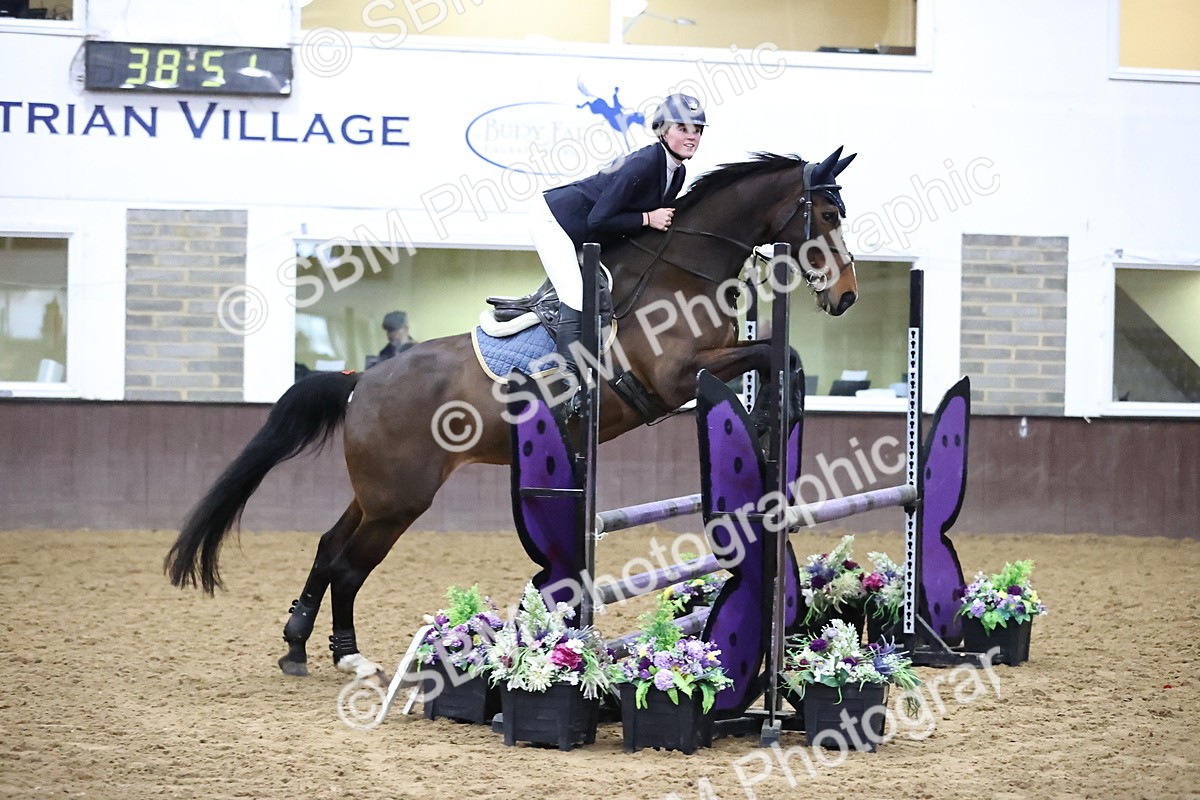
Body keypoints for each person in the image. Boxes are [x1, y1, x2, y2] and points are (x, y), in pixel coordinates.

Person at [529, 92, 707, 408]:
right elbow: (599, 218)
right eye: (683, 128)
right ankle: (565, 388)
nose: (692, 136)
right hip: (555, 224)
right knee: (576, 296)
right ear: (663, 130)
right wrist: (648, 218)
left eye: (697, 130)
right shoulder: (643, 163)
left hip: (590, 236)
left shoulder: (676, 172)